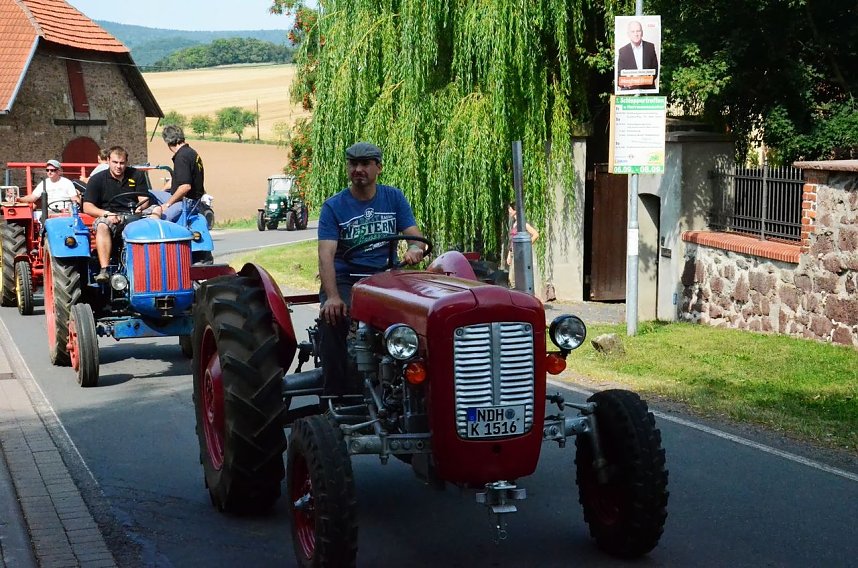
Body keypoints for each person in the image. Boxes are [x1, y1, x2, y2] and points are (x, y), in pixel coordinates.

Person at [317, 142, 426, 396]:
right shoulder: (333, 207)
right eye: (353, 164)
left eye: (365, 164)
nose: (358, 169)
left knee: (417, 317)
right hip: (348, 279)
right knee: (332, 319)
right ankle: (334, 396)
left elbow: (414, 237)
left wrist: (413, 249)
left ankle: (410, 387)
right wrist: (332, 297)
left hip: (386, 277)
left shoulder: (394, 197)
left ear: (379, 167)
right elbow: (326, 255)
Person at [82, 146, 154, 283]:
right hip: (109, 216)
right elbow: (87, 206)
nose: (118, 166)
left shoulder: (136, 175)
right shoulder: (97, 179)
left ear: (126, 162)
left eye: (122, 163)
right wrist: (106, 214)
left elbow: (144, 199)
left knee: (157, 213)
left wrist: (141, 207)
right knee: (102, 226)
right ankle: (104, 270)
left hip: (133, 214)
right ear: (108, 161)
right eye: (115, 162)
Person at [156, 125, 206, 222]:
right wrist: (162, 191)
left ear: (168, 141)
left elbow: (185, 187)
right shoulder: (191, 153)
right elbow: (177, 179)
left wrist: (167, 205)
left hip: (186, 203)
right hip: (194, 200)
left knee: (157, 221)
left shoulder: (181, 157)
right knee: (151, 193)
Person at [16, 160, 80, 220]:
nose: (49, 172)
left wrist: (71, 209)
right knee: (42, 218)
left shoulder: (67, 182)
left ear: (59, 171)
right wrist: (19, 199)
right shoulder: (44, 183)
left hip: (65, 212)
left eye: (52, 170)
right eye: (47, 170)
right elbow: (32, 197)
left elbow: (75, 199)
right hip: (50, 212)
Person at [616, 20, 659, 90]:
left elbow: (655, 70)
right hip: (630, 93)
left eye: (638, 31)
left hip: (647, 92)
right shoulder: (623, 51)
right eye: (633, 31)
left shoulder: (650, 47)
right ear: (628, 34)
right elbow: (619, 75)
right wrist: (628, 83)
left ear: (642, 33)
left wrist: (643, 81)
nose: (636, 34)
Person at [506, 201, 539, 268]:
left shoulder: (523, 224)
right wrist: (509, 255)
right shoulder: (514, 224)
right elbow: (512, 241)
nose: (509, 212)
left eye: (510, 209)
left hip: (521, 255)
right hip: (514, 254)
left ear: (515, 210)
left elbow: (536, 234)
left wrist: (525, 246)